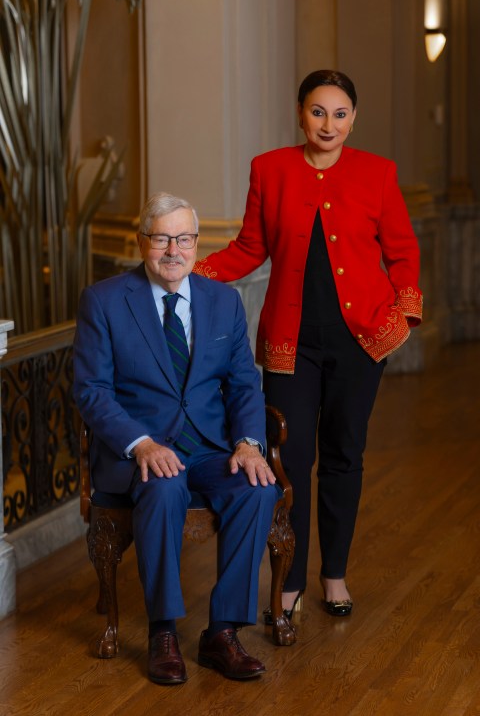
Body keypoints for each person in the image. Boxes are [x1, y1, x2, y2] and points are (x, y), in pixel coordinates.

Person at [194, 70, 423, 620]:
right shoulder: (269, 169)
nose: (329, 124)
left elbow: (402, 252)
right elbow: (250, 247)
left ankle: (335, 575)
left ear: (353, 119)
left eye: (340, 114)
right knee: (289, 461)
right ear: (300, 113)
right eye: (318, 112)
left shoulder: (378, 173)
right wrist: (191, 271)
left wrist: (403, 312)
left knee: (345, 455)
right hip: (289, 344)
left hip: (360, 341)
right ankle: (290, 578)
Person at [73, 192, 279, 685]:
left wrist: (248, 442)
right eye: (162, 237)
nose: (173, 250)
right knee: (163, 487)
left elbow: (244, 381)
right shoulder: (104, 300)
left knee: (258, 488)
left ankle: (222, 633)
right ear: (143, 241)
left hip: (208, 448)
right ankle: (163, 632)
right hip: (141, 451)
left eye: (184, 239)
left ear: (195, 243)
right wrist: (140, 443)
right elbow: (91, 390)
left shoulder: (222, 299)